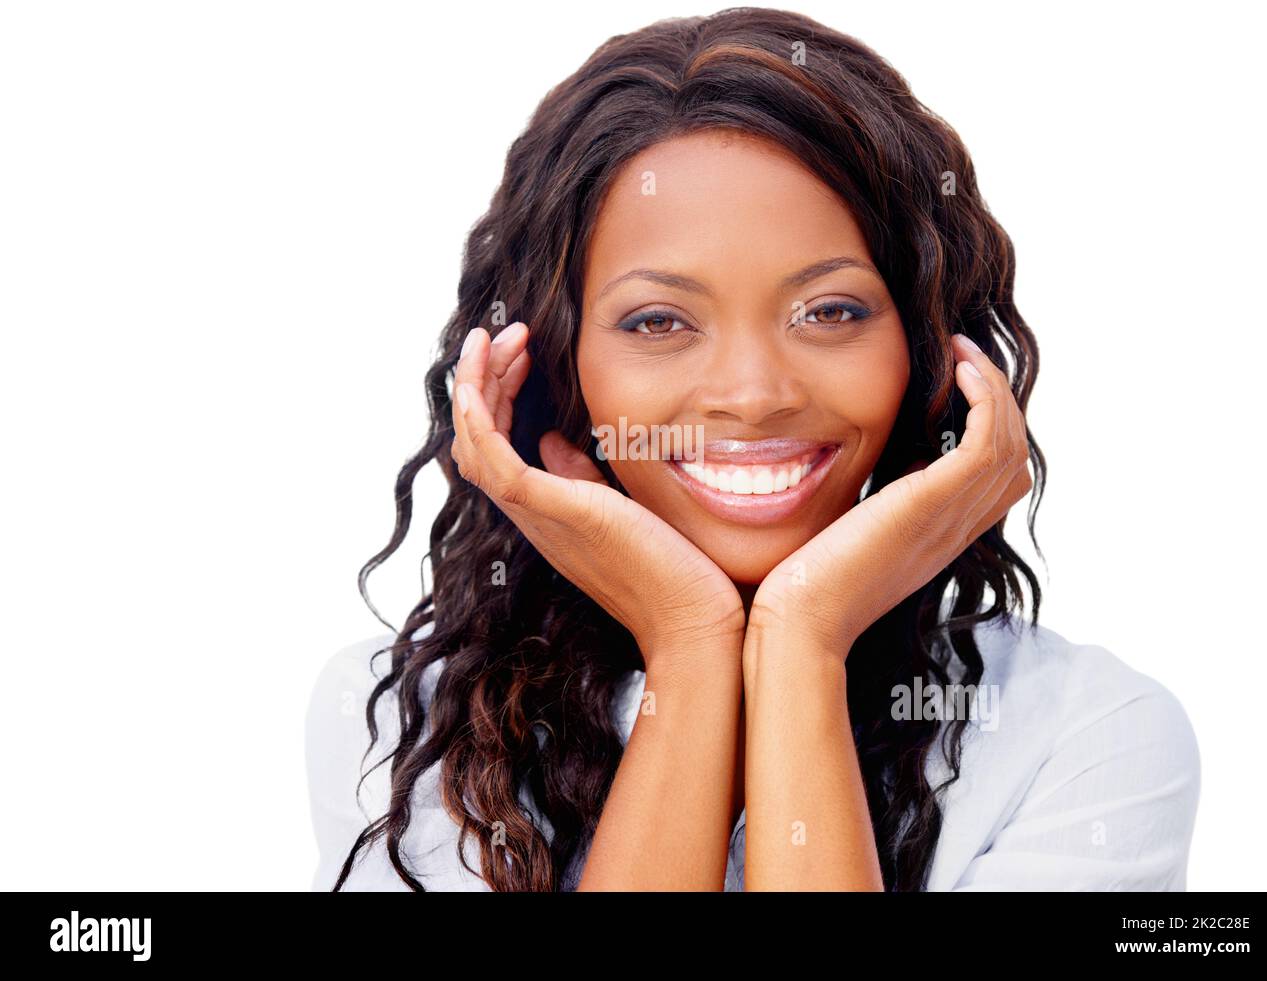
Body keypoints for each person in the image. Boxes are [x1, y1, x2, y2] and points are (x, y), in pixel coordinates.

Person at [304, 7, 1199, 891]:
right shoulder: (399, 736)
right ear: (553, 370)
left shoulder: (1092, 739)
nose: (754, 393)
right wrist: (690, 647)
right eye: (659, 321)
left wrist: (802, 640)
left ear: (930, 353)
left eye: (831, 311)